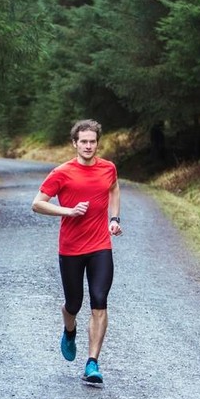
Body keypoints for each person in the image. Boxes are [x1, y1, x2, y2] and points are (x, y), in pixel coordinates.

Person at [31, 119, 121, 385]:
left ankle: (92, 363)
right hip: (70, 248)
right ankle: (69, 330)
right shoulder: (62, 172)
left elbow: (114, 188)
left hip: (100, 246)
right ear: (75, 143)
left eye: (93, 141)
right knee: (73, 304)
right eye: (83, 141)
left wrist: (115, 219)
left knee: (99, 299)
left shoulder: (108, 169)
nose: (88, 146)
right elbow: (37, 204)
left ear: (97, 143)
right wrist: (67, 211)